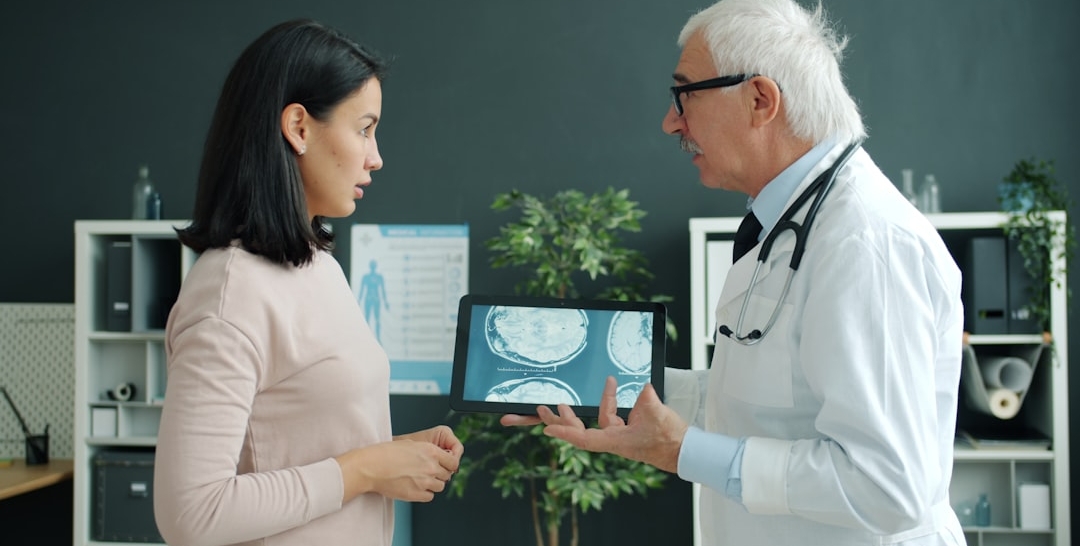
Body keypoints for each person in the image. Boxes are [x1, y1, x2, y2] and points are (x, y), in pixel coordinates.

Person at [503, 0, 966, 544]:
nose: (671, 120)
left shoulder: (867, 244)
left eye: (685, 95)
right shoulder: (784, 225)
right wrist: (607, 384)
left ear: (760, 100)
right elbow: (756, 406)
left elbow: (889, 487)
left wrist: (682, 450)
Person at [153, 19, 464, 546]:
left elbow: (305, 440)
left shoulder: (317, 266)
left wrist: (393, 455)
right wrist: (365, 468)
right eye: (364, 128)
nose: (376, 156)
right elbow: (191, 514)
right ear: (298, 127)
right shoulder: (230, 294)